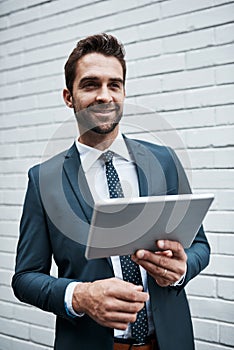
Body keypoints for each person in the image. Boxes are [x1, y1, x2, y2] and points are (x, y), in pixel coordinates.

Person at [12, 33, 210, 350]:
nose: (105, 96)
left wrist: (181, 269)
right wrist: (79, 295)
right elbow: (25, 277)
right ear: (68, 96)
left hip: (169, 342)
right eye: (90, 85)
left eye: (114, 84)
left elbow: (200, 246)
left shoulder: (164, 161)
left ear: (123, 92)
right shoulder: (43, 180)